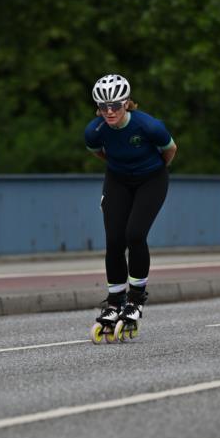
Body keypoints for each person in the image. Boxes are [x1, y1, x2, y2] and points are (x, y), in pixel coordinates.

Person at [84, 73, 177, 338]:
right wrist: (123, 168)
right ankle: (114, 303)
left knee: (135, 234)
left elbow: (170, 149)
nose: (109, 112)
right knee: (114, 240)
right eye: (103, 107)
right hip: (118, 179)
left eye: (115, 105)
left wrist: (152, 170)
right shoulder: (94, 131)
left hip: (152, 179)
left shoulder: (149, 126)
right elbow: (99, 152)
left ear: (126, 103)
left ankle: (136, 299)